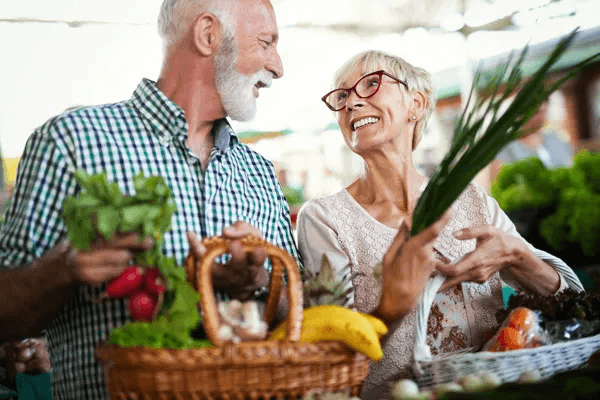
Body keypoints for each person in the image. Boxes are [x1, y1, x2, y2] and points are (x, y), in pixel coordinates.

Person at [0, 0, 299, 398]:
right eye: (265, 43)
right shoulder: (72, 142)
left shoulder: (259, 173)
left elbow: (298, 318)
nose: (278, 66)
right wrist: (64, 269)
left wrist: (261, 283)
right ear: (208, 34)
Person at [296, 50, 583, 400]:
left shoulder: (470, 200)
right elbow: (332, 361)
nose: (352, 102)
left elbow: (573, 303)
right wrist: (392, 306)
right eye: (341, 96)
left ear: (415, 104)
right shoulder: (325, 219)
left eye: (371, 84)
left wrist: (518, 257)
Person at [489, 100, 574, 181]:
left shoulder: (556, 140)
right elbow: (498, 183)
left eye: (543, 111)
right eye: (536, 112)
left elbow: (570, 167)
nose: (540, 116)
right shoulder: (505, 148)